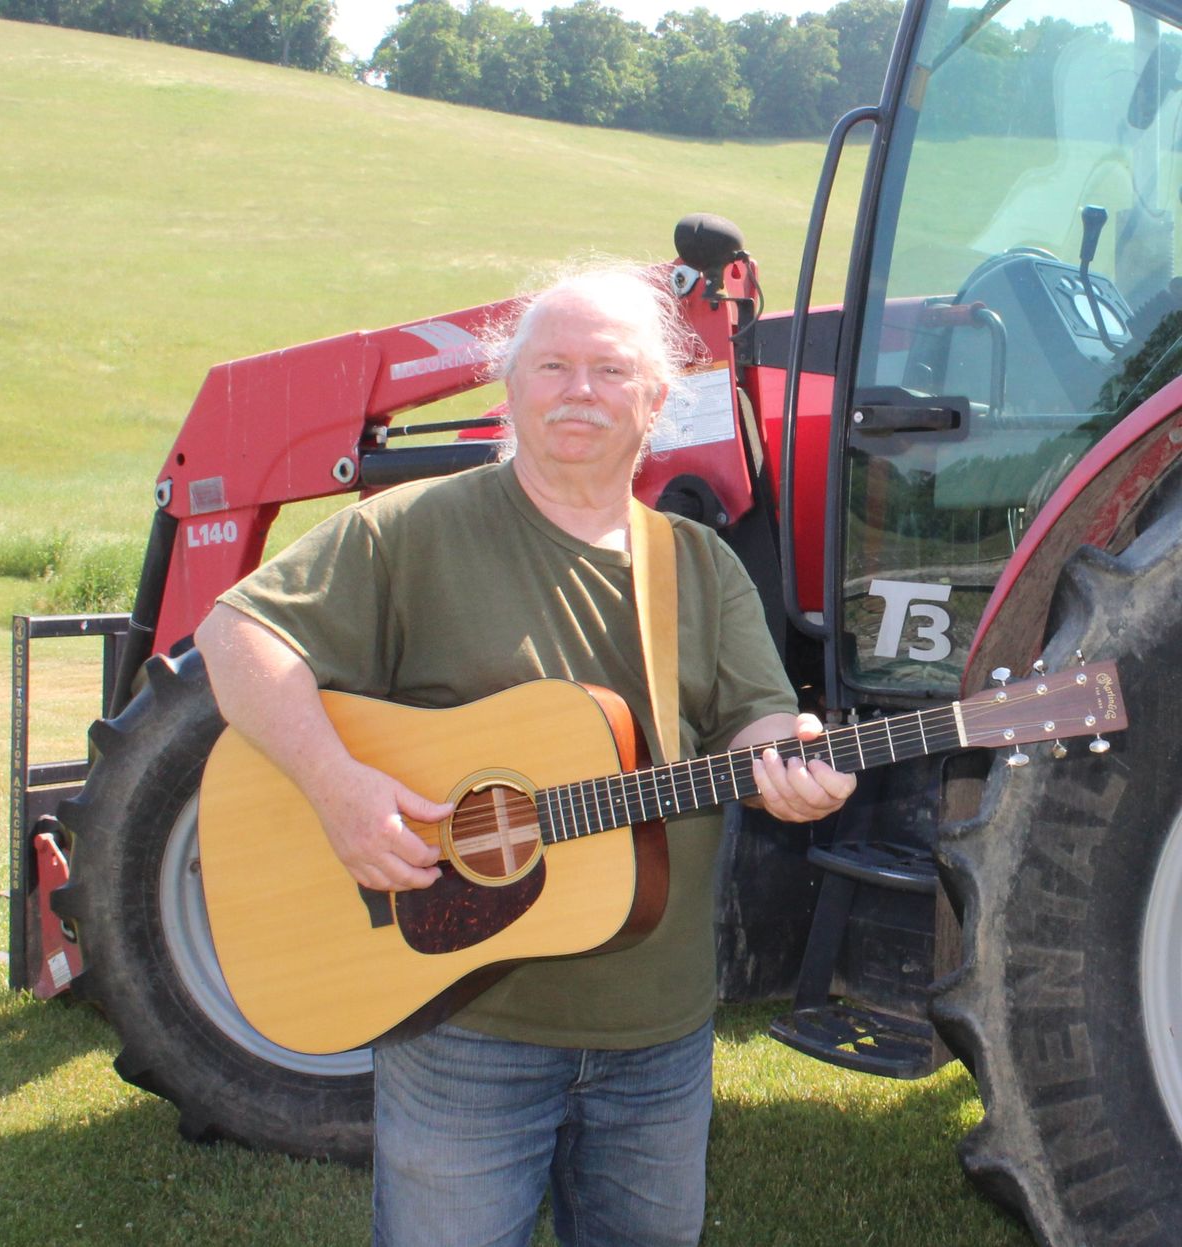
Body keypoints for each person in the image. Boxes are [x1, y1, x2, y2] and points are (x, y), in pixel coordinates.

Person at [194, 262, 856, 1247]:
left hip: (656, 1035)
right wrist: (335, 784)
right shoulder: (413, 530)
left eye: (607, 368)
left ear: (657, 400)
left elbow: (757, 720)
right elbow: (233, 634)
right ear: (510, 386)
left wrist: (791, 761)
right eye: (551, 365)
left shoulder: (698, 565)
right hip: (465, 1029)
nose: (578, 389)